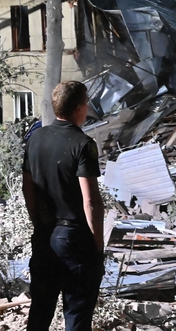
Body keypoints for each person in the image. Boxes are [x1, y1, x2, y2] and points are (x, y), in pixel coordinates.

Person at [23, 81, 104, 331]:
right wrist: (97, 243)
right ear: (80, 108)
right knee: (77, 314)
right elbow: (90, 201)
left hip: (44, 234)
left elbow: (27, 188)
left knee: (40, 310)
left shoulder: (35, 138)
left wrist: (37, 219)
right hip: (74, 238)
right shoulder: (83, 144)